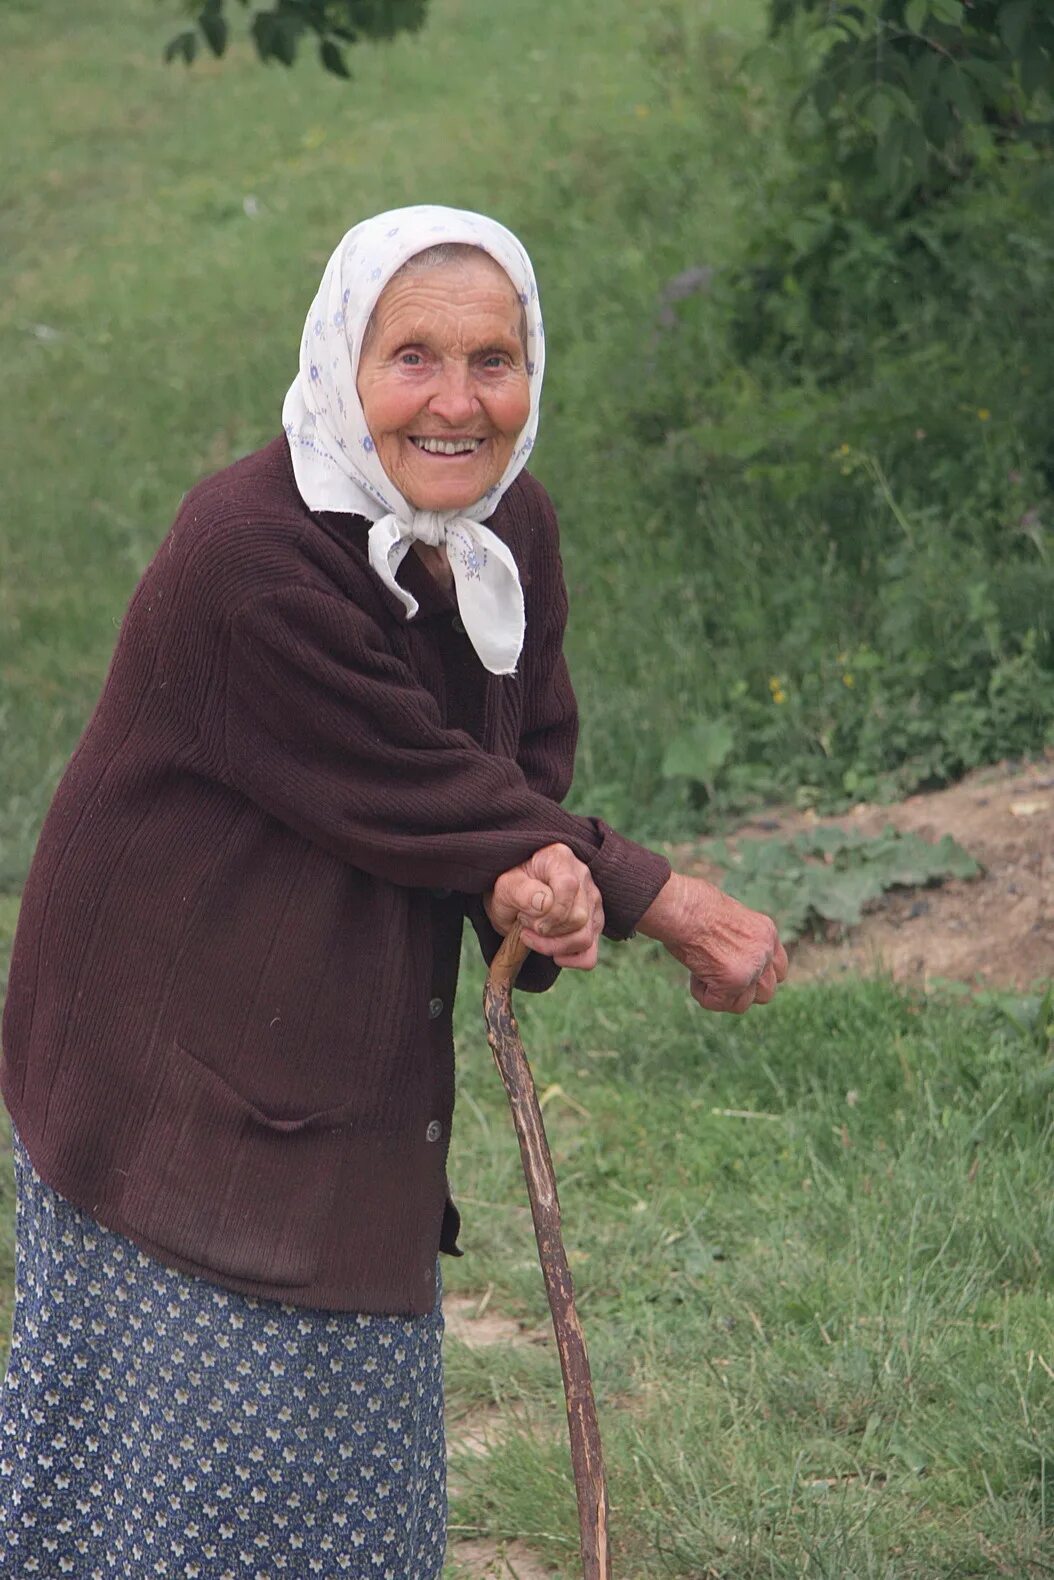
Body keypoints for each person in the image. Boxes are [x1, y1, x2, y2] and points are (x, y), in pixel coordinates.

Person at [0, 205, 787, 1578]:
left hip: (336, 1038)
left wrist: (535, 885)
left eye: (494, 359)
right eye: (410, 356)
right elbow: (405, 773)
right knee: (186, 1473)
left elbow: (512, 759)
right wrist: (669, 902)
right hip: (171, 1052)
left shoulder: (507, 530)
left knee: (345, 1464)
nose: (456, 401)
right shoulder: (246, 553)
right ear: (336, 362)